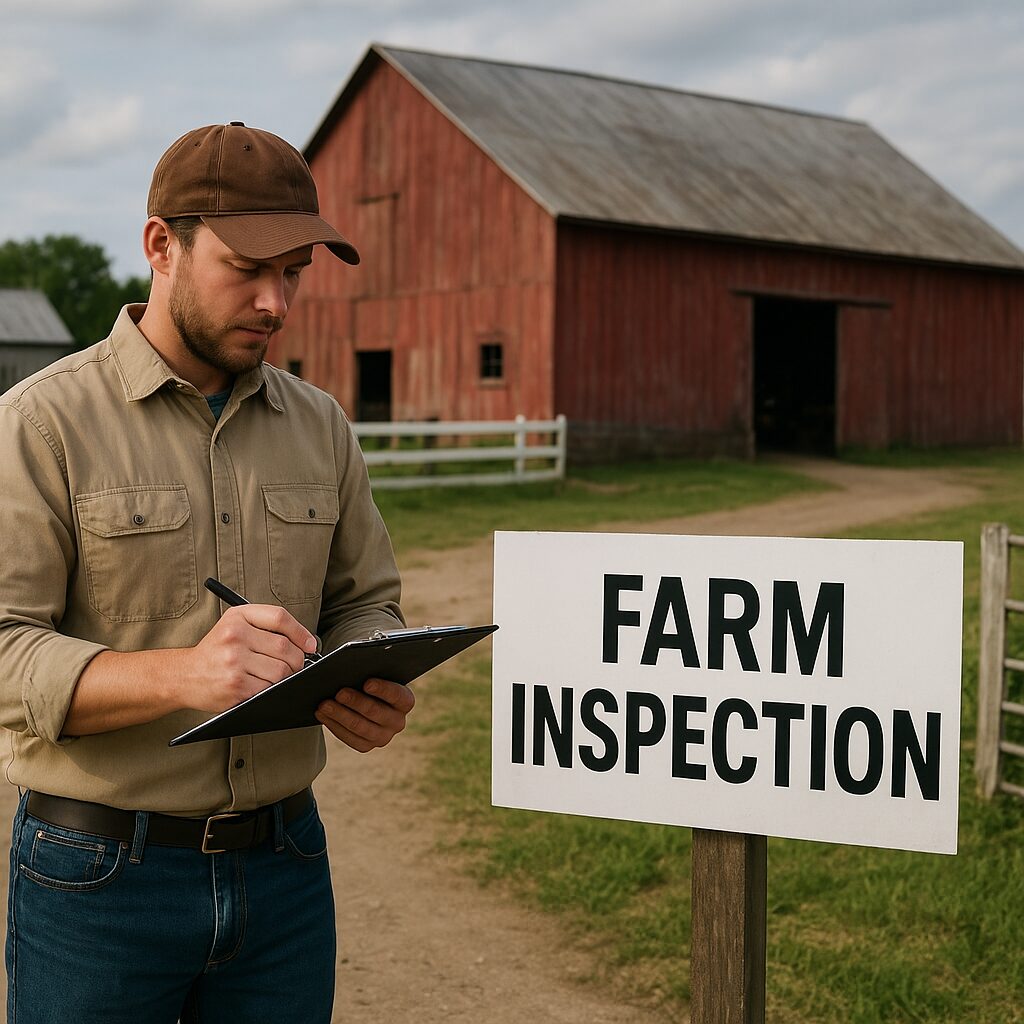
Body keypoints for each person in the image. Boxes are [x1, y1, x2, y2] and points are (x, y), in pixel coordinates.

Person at [0, 122, 414, 1023]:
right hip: (98, 882)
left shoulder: (322, 426)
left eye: (295, 271)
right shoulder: (40, 424)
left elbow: (365, 603)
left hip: (286, 870)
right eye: (248, 267)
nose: (277, 301)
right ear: (161, 245)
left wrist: (369, 672)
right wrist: (185, 674)